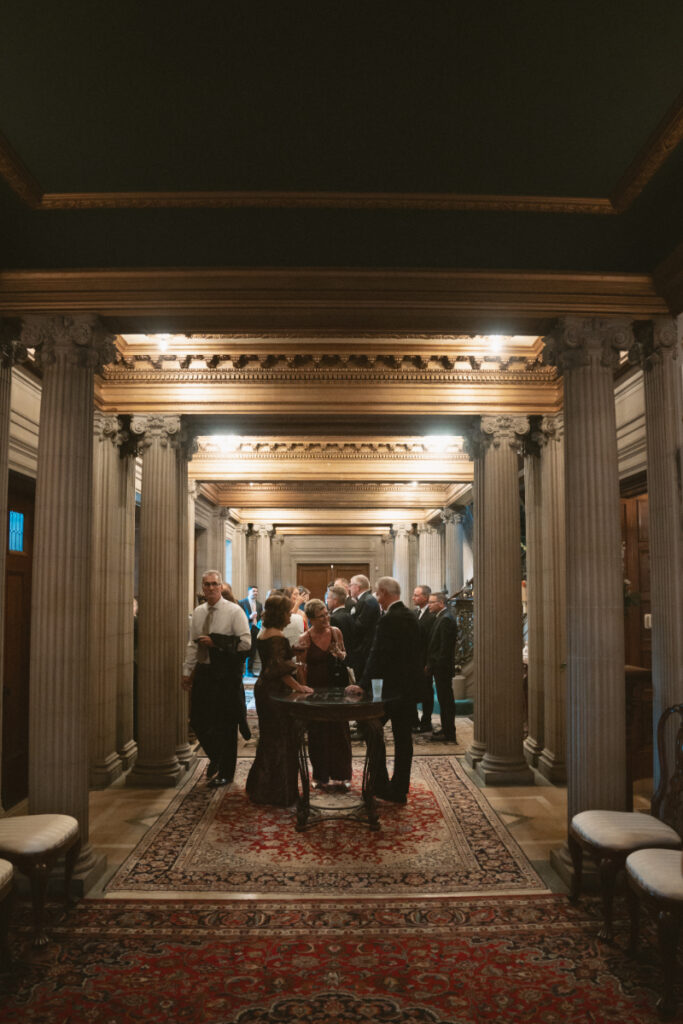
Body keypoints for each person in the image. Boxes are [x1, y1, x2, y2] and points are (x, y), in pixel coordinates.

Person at [346, 577, 421, 804]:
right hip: (408, 689)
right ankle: (399, 789)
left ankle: (380, 783)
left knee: (370, 730)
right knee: (403, 740)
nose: (377, 598)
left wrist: (362, 684)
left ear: (383, 593)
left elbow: (377, 655)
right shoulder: (411, 616)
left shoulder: (388, 620)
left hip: (388, 691)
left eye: (378, 594)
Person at [182, 570, 251, 787]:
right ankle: (216, 757)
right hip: (205, 671)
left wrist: (217, 643)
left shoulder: (234, 611)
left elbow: (246, 644)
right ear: (202, 587)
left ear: (220, 587)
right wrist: (187, 672)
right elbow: (193, 644)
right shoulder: (199, 612)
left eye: (214, 584)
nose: (210, 588)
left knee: (226, 724)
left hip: (226, 674)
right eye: (206, 585)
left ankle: (226, 772)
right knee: (199, 721)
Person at [246, 593, 313, 805]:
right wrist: (299, 686)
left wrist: (291, 652)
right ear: (280, 614)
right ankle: (277, 792)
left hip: (264, 689)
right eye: (287, 611)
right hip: (274, 691)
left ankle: (262, 787)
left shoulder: (266, 632)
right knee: (282, 739)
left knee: (269, 738)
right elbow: (277, 669)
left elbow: (273, 659)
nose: (290, 615)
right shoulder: (277, 637)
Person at [295, 598, 352, 790]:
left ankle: (342, 776)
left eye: (326, 614)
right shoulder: (305, 638)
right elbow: (301, 667)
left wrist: (340, 655)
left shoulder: (336, 632)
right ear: (311, 619)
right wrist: (304, 691)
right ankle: (320, 776)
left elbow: (344, 655)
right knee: (318, 734)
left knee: (340, 732)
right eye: (321, 616)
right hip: (316, 690)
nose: (326, 618)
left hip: (337, 690)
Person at [426, 591, 458, 743]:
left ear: (440, 603)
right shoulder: (441, 617)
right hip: (440, 667)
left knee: (446, 701)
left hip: (442, 668)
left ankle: (449, 732)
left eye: (431, 602)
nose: (429, 605)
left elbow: (444, 649)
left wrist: (433, 666)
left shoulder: (446, 619)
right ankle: (446, 728)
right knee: (444, 699)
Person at [412, 584, 436, 732]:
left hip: (425, 660)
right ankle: (414, 720)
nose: (413, 597)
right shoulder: (415, 613)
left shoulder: (432, 616)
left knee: (427, 692)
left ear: (425, 598)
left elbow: (431, 642)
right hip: (414, 660)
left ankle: (426, 721)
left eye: (416, 595)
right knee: (413, 690)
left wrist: (428, 663)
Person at [348, 574, 381, 679]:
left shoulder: (368, 601)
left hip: (364, 649)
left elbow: (361, 626)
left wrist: (347, 622)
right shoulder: (365, 600)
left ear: (357, 587)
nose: (349, 588)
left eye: (351, 585)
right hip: (363, 648)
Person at [239, 585, 262, 676]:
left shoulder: (259, 604)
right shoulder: (242, 602)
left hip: (255, 629)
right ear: (249, 592)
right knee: (244, 650)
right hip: (245, 628)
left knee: (253, 650)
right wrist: (249, 617)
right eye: (253, 591)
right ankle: (241, 670)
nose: (255, 593)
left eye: (256, 591)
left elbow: (260, 617)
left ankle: (249, 671)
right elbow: (239, 617)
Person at [326, 584, 354, 654]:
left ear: (335, 601)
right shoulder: (349, 615)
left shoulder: (333, 618)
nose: (327, 601)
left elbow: (333, 643)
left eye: (328, 598)